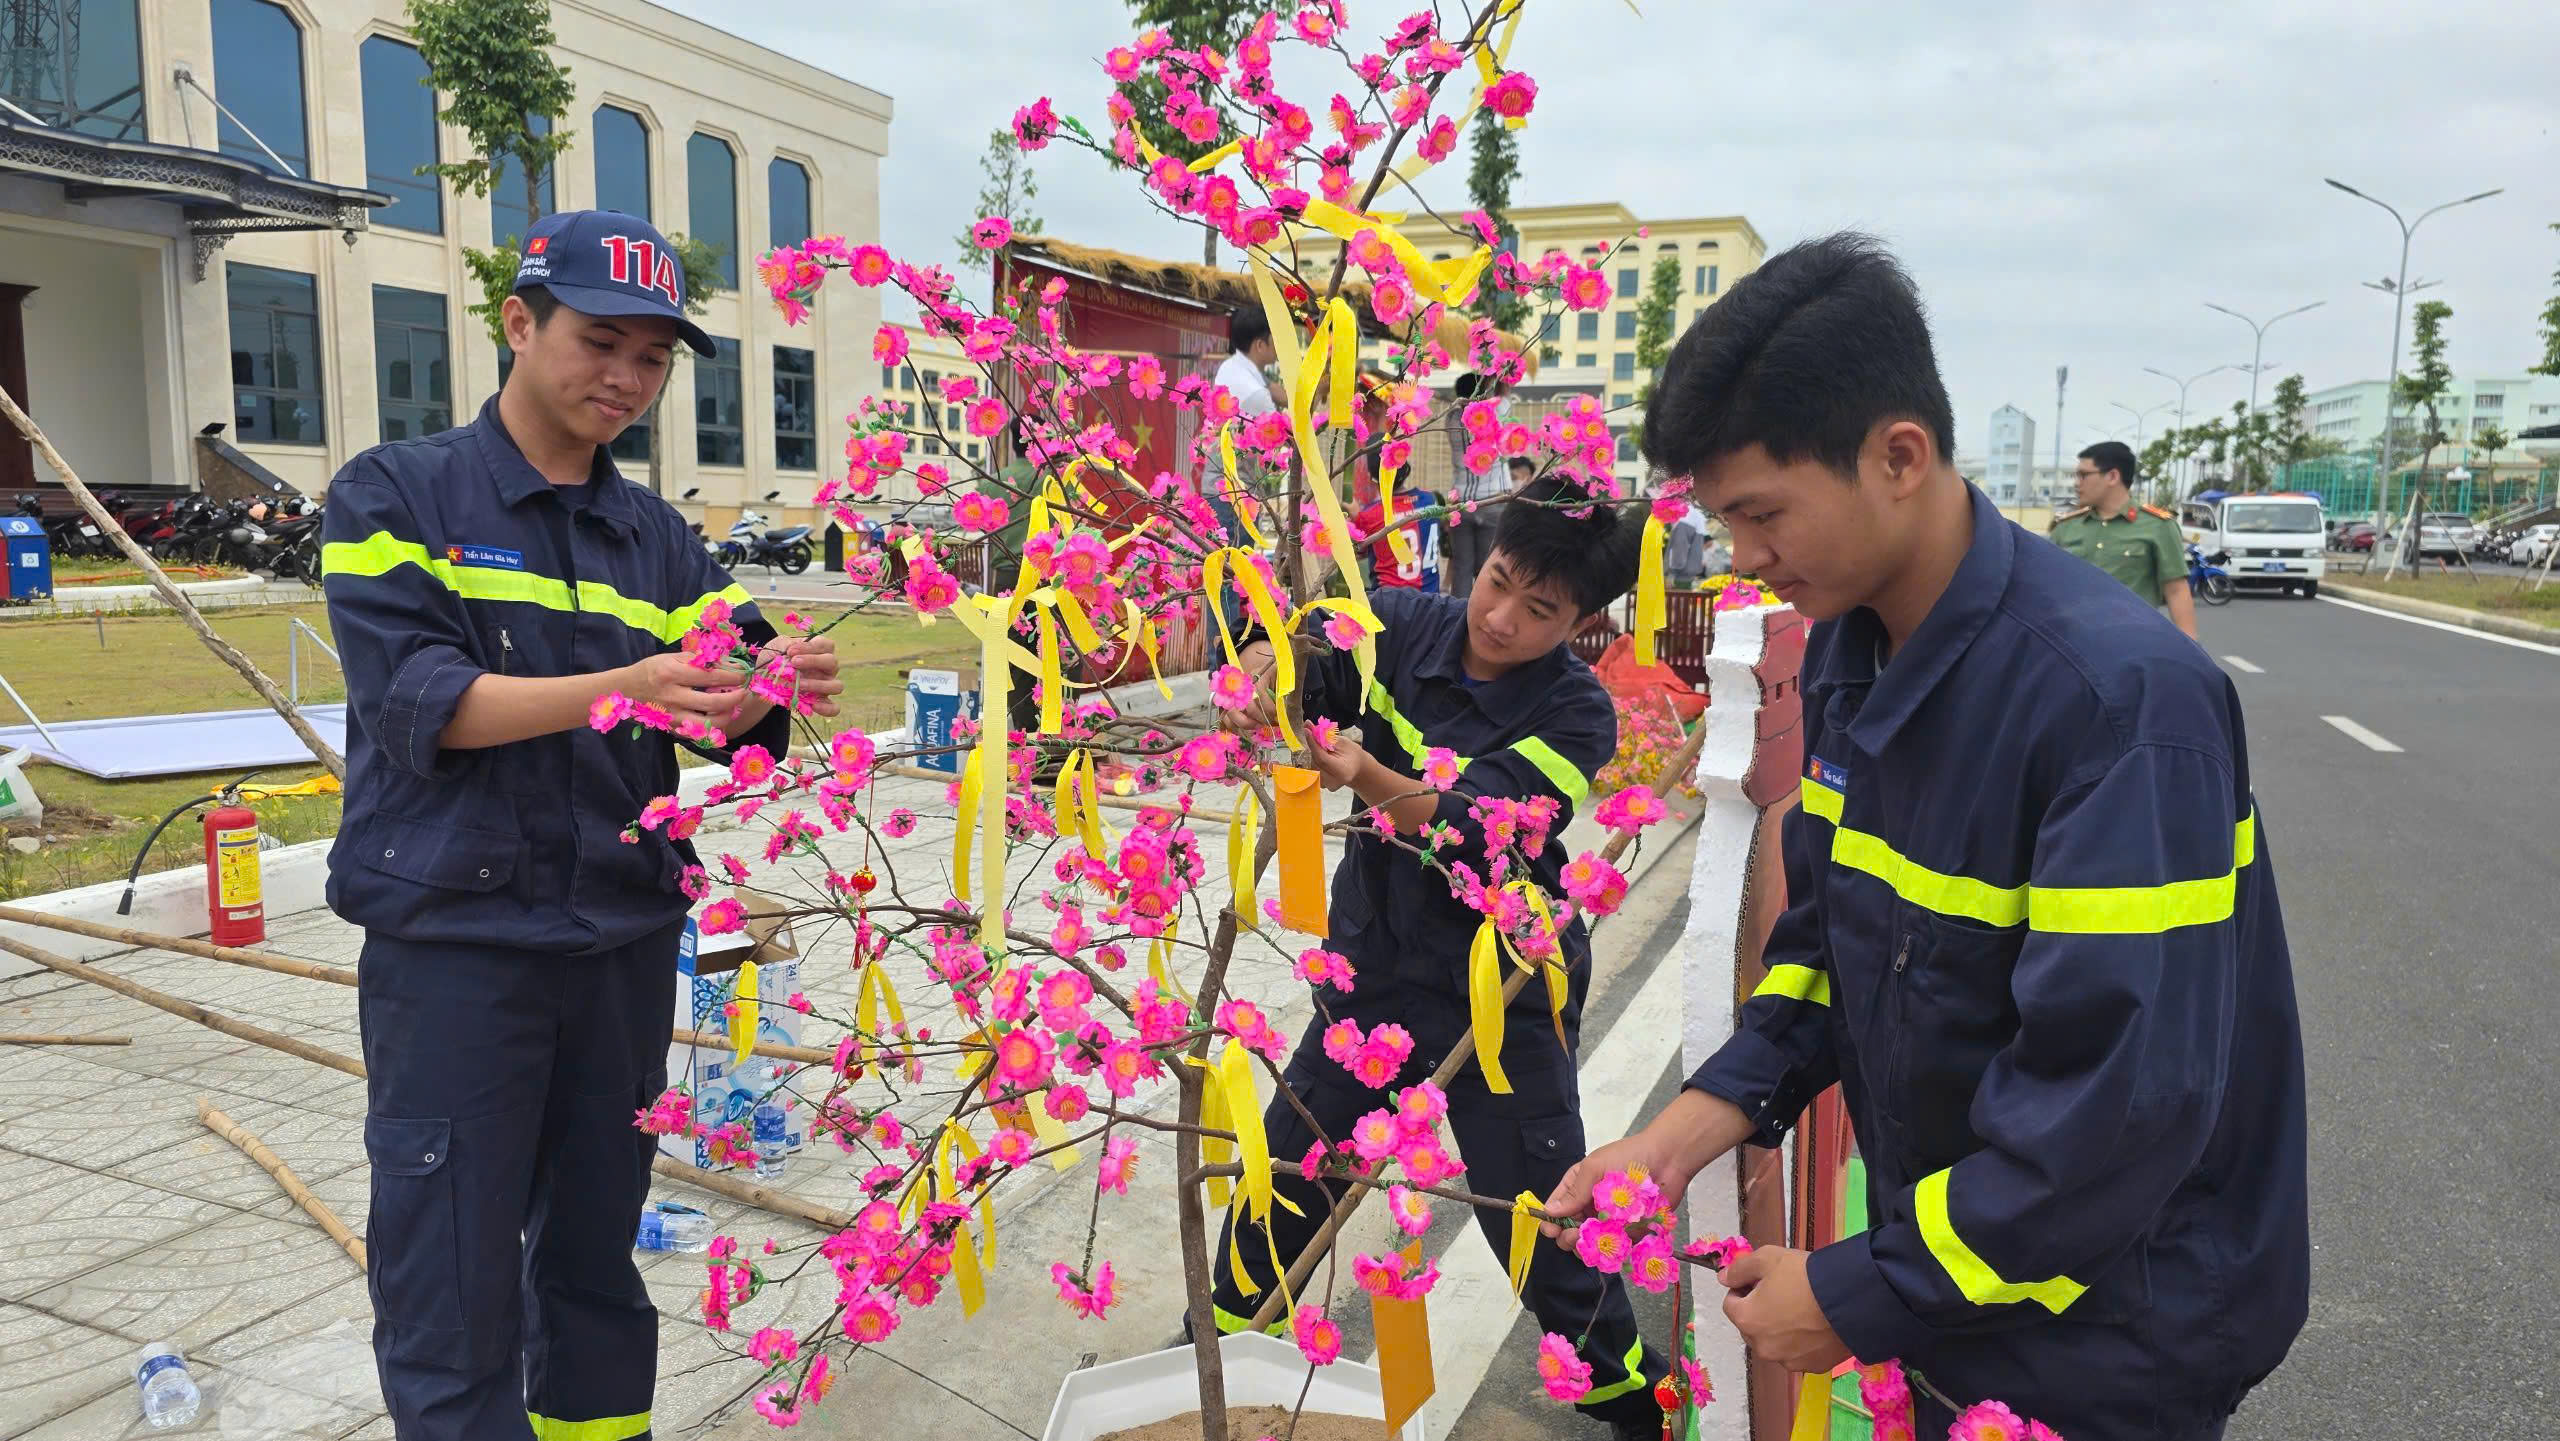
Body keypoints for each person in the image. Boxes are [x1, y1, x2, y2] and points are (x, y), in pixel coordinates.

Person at [1544, 234, 2307, 1441]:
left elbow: (2116, 1107)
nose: (1740, 557)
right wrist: (1682, 1132)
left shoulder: (2117, 705)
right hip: (1969, 1275)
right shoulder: (1856, 649)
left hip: (2113, 1321)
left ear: (1897, 456)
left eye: (1759, 513)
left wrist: (1860, 1293)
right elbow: (1830, 943)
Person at [320, 209, 845, 1441]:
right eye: (598, 342)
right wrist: (625, 686)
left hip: (613, 939)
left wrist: (773, 687)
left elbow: (728, 715)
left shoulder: (655, 537)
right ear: (518, 322)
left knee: (597, 1265)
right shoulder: (396, 491)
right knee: (448, 1279)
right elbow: (421, 703)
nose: (624, 378)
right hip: (457, 949)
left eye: (652, 360)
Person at [1211, 480, 1669, 1438]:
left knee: (1538, 1219)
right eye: (1496, 581)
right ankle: (1209, 1347)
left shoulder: (1581, 717)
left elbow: (1476, 826)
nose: (1500, 618)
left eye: (1539, 610)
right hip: (1370, 973)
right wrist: (1262, 665)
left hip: (1501, 995)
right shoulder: (1393, 623)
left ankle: (1637, 1404)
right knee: (1288, 1170)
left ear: (1583, 621)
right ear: (1480, 558)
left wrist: (1366, 774)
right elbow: (1304, 658)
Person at [2049, 441, 2199, 639]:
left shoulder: (2159, 526)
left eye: (2084, 475)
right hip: (2073, 644)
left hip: (2134, 643)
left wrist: (2190, 648)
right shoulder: (2065, 527)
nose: (2077, 483)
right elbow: (2047, 588)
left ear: (2112, 476)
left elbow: (2176, 590)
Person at [1440, 372, 1511, 597]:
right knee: (1486, 567)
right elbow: (1504, 391)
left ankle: (1457, 618)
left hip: (1462, 503)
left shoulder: (1451, 418)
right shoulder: (1497, 412)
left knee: (1461, 566)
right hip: (1493, 501)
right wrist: (1498, 369)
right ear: (1483, 391)